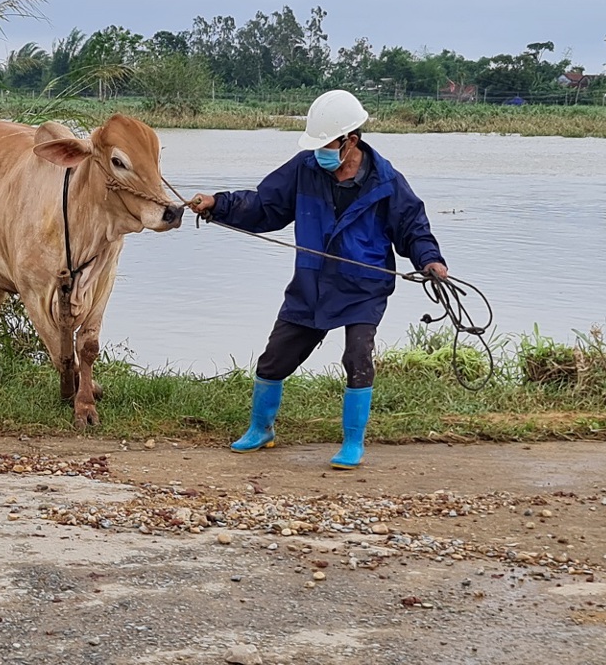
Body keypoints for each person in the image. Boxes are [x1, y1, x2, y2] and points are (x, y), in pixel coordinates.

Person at [190, 90, 448, 469]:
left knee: (357, 356)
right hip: (312, 283)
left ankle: (352, 443)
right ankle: (261, 429)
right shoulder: (303, 168)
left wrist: (431, 260)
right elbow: (264, 206)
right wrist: (219, 204)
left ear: (351, 142)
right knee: (274, 360)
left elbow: (413, 228)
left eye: (325, 145)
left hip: (364, 287)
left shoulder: (387, 181)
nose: (318, 153)